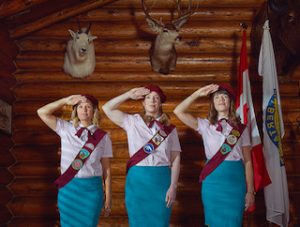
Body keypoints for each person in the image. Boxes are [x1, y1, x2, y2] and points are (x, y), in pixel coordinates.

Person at [173, 84, 255, 227]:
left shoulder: (241, 129)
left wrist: (250, 191)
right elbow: (178, 111)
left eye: (224, 96)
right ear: (212, 103)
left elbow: (248, 161)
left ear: (230, 101)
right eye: (217, 97)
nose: (221, 99)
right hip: (213, 183)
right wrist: (197, 93)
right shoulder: (205, 125)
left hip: (235, 182)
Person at [102, 84, 181, 227]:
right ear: (143, 102)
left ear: (160, 103)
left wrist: (173, 186)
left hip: (161, 179)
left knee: (161, 222)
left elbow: (176, 159)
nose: (152, 101)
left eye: (156, 98)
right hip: (138, 179)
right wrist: (128, 94)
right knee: (138, 222)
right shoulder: (132, 121)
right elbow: (107, 108)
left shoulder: (170, 129)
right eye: (149, 98)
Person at [37, 94, 112, 227]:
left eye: (88, 106)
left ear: (94, 111)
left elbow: (106, 169)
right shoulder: (65, 128)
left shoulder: (103, 136)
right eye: (80, 106)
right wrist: (64, 101)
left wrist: (108, 195)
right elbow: (41, 112)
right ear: (75, 110)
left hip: (92, 191)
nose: (84, 110)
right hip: (69, 188)